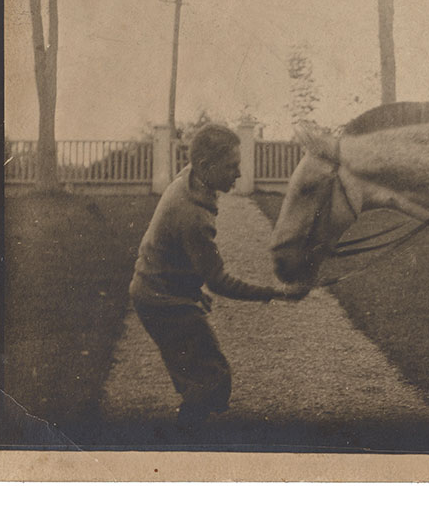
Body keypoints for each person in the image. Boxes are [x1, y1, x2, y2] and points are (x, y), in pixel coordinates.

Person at [129, 123, 301, 431]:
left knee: (199, 375)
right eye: (231, 167)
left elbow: (172, 255)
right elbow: (220, 280)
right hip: (161, 300)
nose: (238, 174)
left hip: (158, 290)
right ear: (207, 167)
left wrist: (190, 289)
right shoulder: (193, 216)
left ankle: (191, 431)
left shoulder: (190, 178)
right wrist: (272, 292)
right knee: (212, 377)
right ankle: (187, 443)